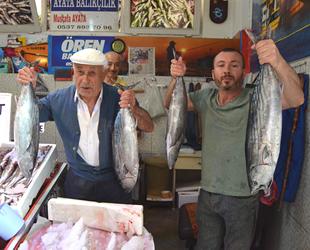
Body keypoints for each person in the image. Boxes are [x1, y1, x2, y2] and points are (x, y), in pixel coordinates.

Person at [164, 40, 304, 249]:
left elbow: (296, 98)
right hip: (208, 195)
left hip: (243, 199)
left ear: (244, 73)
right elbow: (171, 104)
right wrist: (176, 79)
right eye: (221, 65)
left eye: (234, 65)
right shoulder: (204, 97)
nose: (227, 71)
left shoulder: (257, 98)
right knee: (205, 246)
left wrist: (277, 61)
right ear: (213, 74)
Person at [17, 48, 154, 204]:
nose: (85, 79)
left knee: (115, 226)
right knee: (77, 227)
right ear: (73, 72)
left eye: (92, 73)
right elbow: (29, 118)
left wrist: (134, 108)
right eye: (80, 72)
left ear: (103, 75)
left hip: (115, 183)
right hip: (77, 184)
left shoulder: (118, 97)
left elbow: (148, 127)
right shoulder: (57, 99)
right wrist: (29, 88)